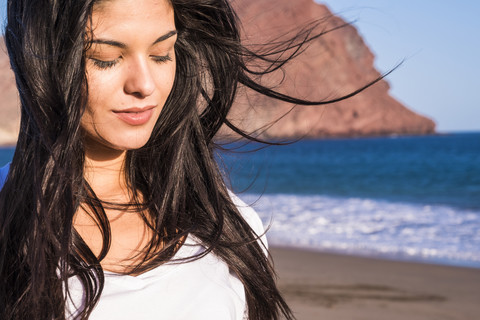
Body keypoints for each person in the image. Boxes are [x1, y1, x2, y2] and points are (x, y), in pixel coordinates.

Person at [0, 0, 383, 319]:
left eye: (161, 54)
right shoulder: (9, 227)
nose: (145, 85)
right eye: (105, 59)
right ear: (42, 63)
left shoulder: (231, 227)